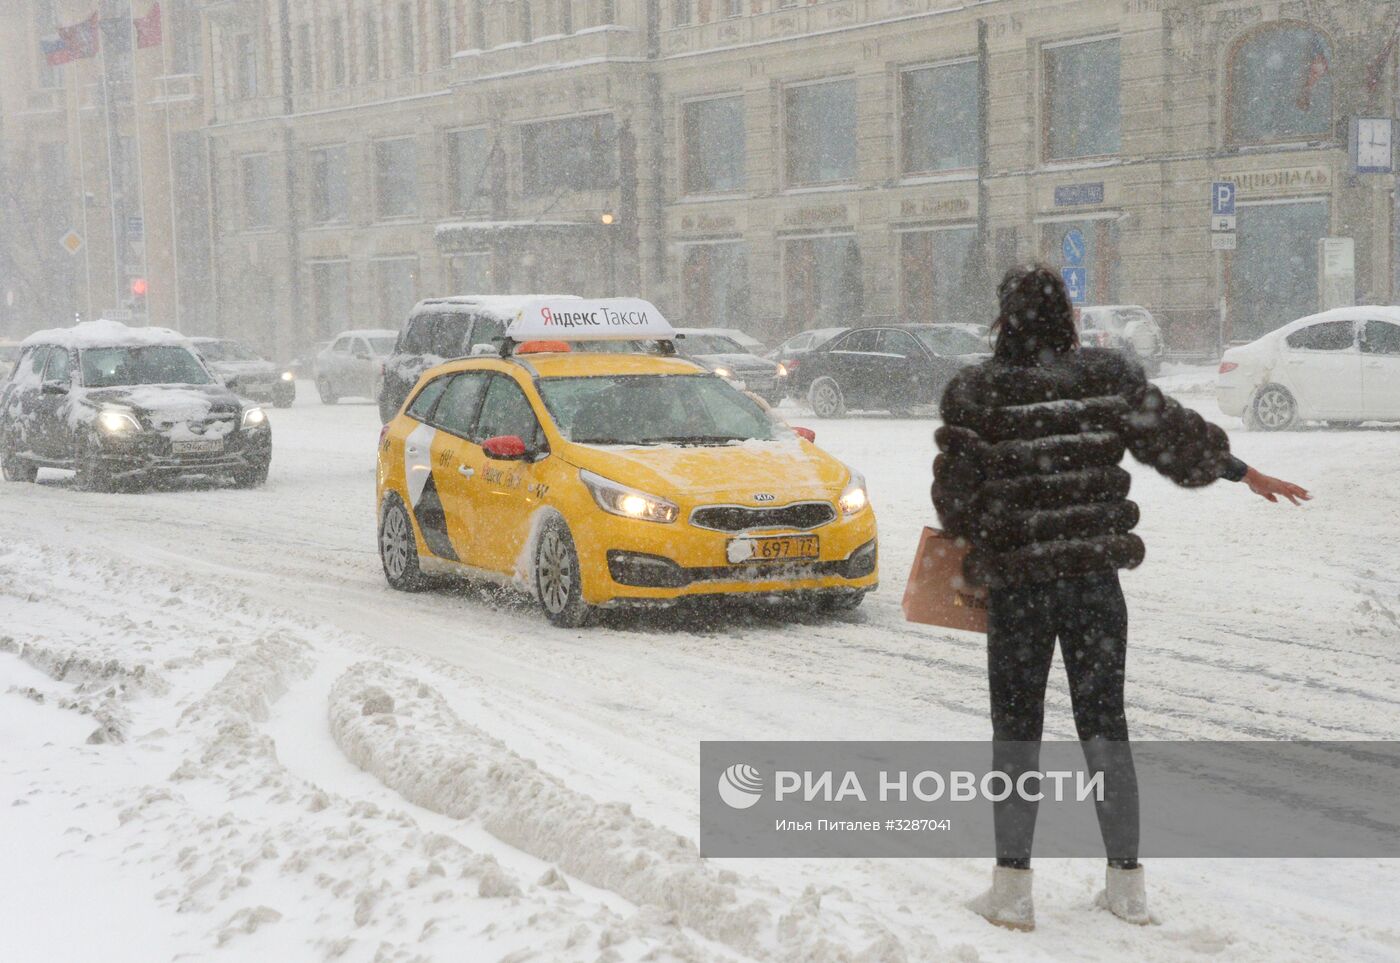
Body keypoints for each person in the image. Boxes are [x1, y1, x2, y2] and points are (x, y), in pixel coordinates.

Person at [932, 264, 1310, 932]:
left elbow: (955, 502)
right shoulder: (1104, 377)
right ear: (1067, 317)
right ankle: (1127, 884)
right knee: (1105, 728)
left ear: (1004, 319)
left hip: (1019, 592)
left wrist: (997, 522)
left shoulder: (977, 393)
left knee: (1016, 734)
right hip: (1092, 587)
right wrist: (1240, 470)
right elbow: (1173, 436)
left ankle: (1013, 889)